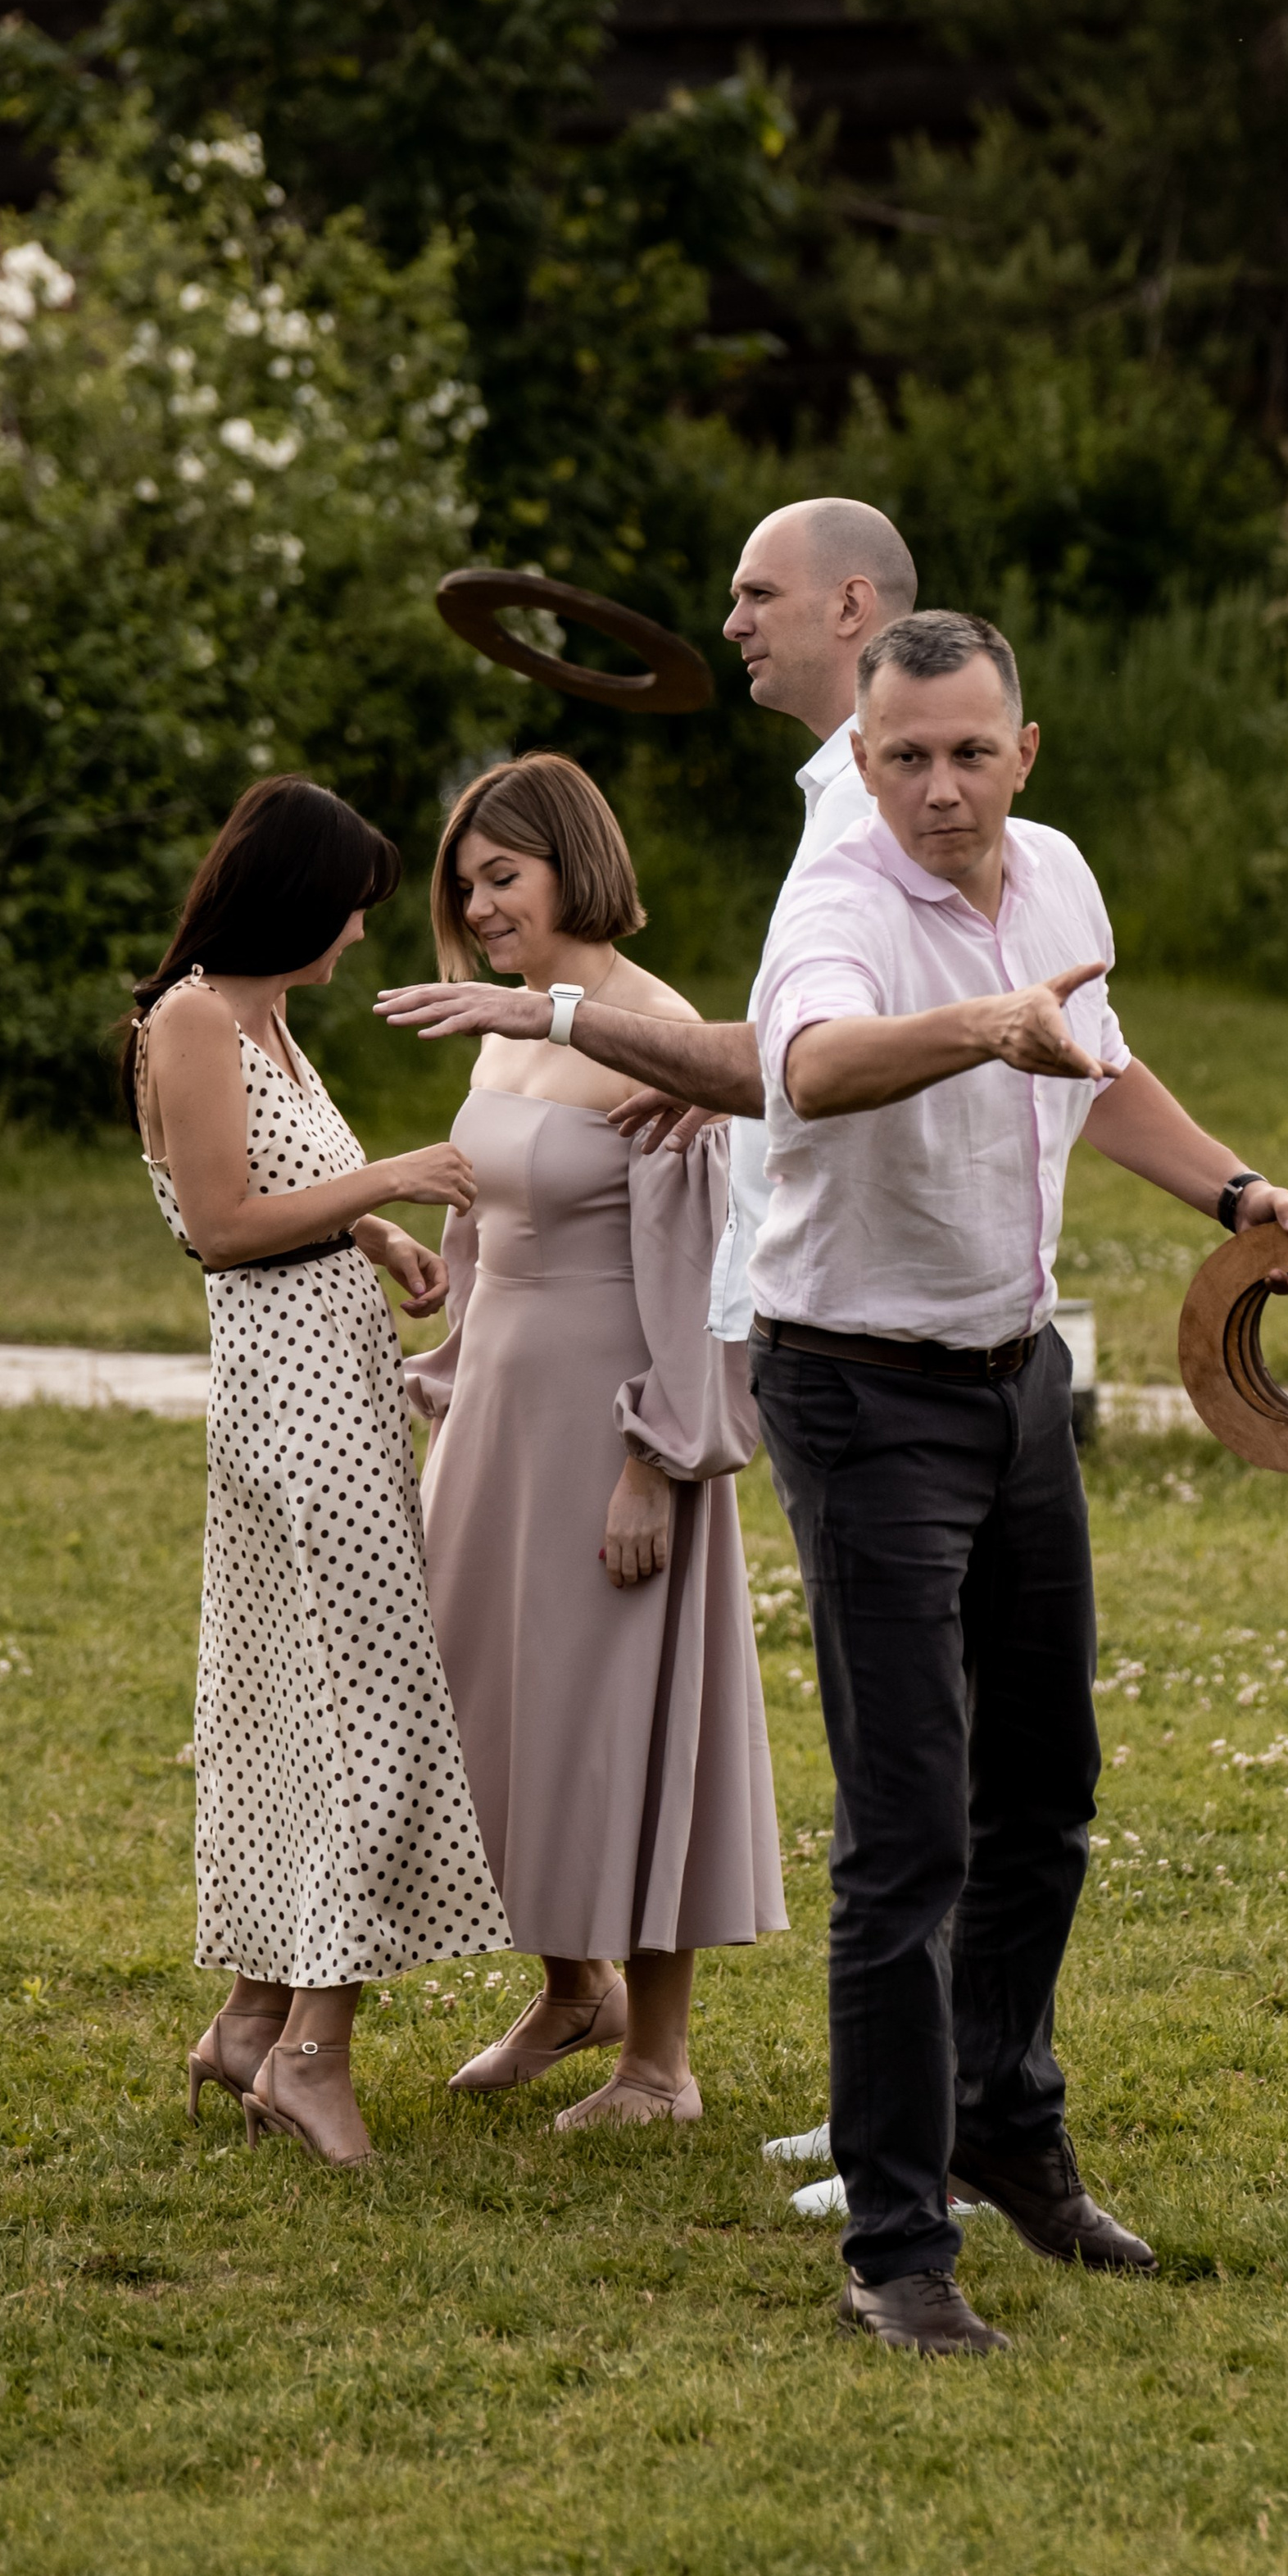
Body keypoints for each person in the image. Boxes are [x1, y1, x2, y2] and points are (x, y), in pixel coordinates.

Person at [747, 610, 1288, 2356]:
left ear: (1023, 749)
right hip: (855, 1388)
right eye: (901, 753)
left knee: (1047, 1783)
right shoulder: (838, 899)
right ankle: (895, 2250)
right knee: (905, 1827)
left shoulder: (1054, 878)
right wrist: (975, 1025)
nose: (935, 786)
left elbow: (1102, 1057)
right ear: (860, 755)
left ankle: (1004, 2112)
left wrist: (1230, 1192)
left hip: (1016, 1383)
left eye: (966, 751)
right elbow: (807, 1065)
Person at [126, 776, 510, 2169]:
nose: (361, 931)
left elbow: (291, 1192)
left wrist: (380, 1245)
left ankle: (247, 2025)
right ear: (295, 895)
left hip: (341, 1386)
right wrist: (391, 1181)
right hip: (289, 1409)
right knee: (377, 1715)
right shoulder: (187, 1020)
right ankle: (311, 2052)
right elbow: (224, 1223)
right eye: (351, 903)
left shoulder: (270, 1019)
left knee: (321, 1706)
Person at [403, 755, 786, 2127]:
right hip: (503, 1413)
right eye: (467, 883)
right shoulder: (506, 1024)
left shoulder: (654, 1024)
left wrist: (656, 1459)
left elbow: (700, 1262)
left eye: (504, 874)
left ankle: (659, 2061)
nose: (481, 903)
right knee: (483, 1704)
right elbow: (488, 1205)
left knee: (627, 1713)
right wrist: (443, 1363)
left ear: (575, 861)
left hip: (617, 1415)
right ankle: (574, 1985)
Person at [371, 494, 914, 1187]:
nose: (731, 624)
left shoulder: (876, 805)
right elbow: (810, 1047)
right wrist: (712, 1074)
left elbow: (816, 1054)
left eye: (760, 594)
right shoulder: (837, 791)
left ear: (849, 607)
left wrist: (549, 1014)